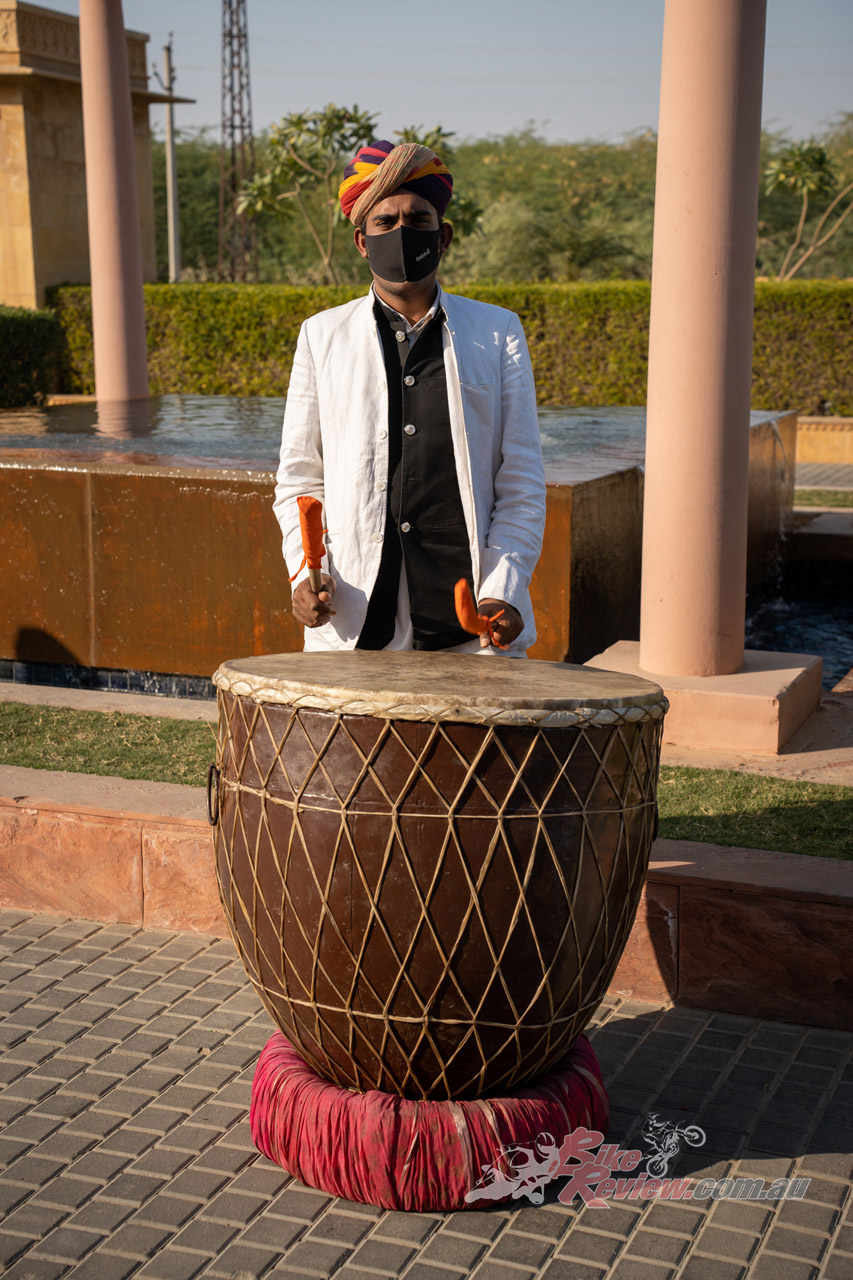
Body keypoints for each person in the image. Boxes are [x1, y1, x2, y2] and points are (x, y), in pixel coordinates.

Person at [273, 139, 546, 656]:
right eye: (385, 221)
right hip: (355, 614)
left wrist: (504, 588)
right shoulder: (322, 336)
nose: (402, 232)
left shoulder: (496, 333)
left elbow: (521, 480)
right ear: (362, 241)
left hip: (469, 617)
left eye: (418, 220)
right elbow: (300, 479)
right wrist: (306, 573)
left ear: (443, 237)